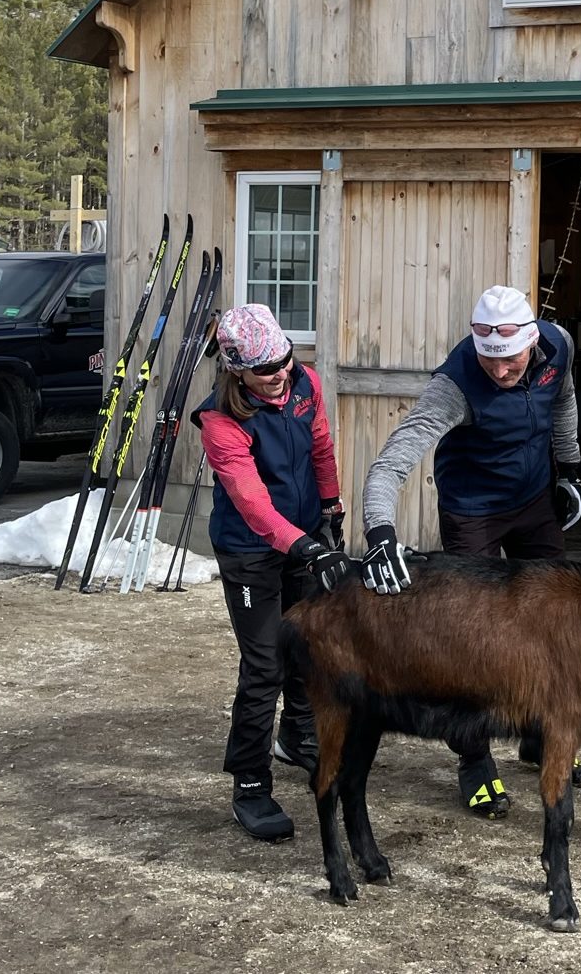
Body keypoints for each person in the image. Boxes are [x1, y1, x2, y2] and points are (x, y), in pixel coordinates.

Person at [358, 284, 581, 815]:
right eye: (489, 361)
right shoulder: (455, 385)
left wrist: (571, 469)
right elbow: (390, 464)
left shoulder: (559, 346)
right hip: (473, 509)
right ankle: (474, 761)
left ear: (532, 343)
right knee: (476, 640)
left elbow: (564, 400)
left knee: (555, 619)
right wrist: (379, 533)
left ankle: (542, 737)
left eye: (509, 361)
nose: (500, 372)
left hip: (533, 498)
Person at [192, 304, 352, 843]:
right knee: (264, 664)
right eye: (265, 369)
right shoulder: (221, 421)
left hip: (303, 536)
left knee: (307, 647)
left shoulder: (304, 382)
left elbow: (322, 448)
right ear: (237, 371)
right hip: (249, 551)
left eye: (284, 358)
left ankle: (298, 738)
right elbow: (253, 504)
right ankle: (250, 783)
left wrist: (331, 509)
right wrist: (305, 546)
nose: (280, 372)